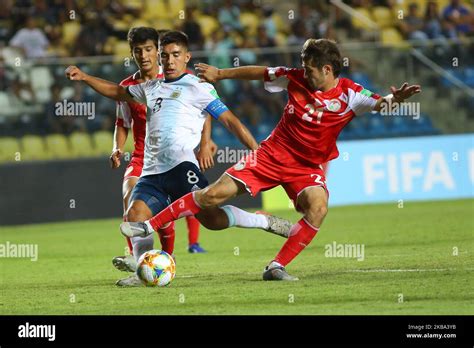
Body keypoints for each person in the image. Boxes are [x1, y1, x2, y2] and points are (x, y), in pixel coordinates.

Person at [120, 38, 421, 281]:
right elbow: (260, 72)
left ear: (327, 69)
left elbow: (381, 103)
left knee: (317, 208)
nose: (304, 72)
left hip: (306, 167)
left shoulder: (352, 95)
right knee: (213, 196)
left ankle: (276, 266)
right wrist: (222, 74)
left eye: (310, 68)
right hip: (272, 154)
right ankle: (149, 226)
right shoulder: (295, 77)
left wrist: (396, 99)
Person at [65, 30, 293, 286]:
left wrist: (255, 149)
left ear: (187, 57)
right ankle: (142, 271)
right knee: (135, 214)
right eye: (165, 56)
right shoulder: (150, 87)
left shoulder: (200, 87)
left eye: (175, 55)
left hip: (182, 166)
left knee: (213, 220)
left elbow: (230, 121)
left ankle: (263, 220)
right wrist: (84, 77)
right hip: (152, 171)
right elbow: (117, 92)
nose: (170, 61)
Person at [110, 28, 216, 282]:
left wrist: (205, 142)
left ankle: (167, 256)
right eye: (138, 51)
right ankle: (139, 259)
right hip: (141, 156)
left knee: (184, 206)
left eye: (148, 49)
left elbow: (206, 107)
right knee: (130, 198)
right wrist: (116, 148)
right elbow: (122, 123)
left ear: (157, 51)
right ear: (132, 54)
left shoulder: (175, 76)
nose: (144, 55)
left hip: (175, 156)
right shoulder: (128, 87)